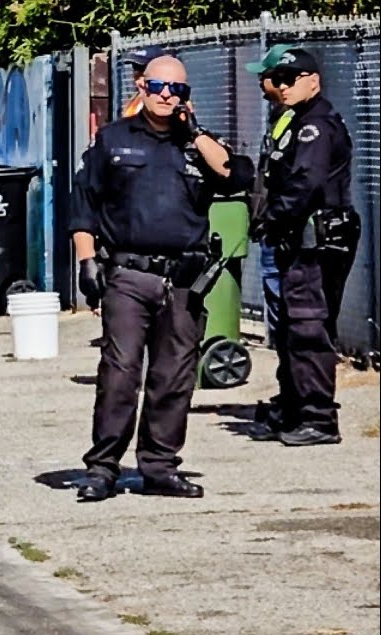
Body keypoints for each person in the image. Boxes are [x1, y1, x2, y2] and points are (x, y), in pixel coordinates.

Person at [70, 55, 253, 502]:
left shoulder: (198, 146)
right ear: (142, 88)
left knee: (173, 376)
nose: (167, 95)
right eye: (158, 87)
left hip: (184, 280)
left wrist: (196, 133)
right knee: (121, 371)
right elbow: (84, 203)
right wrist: (87, 260)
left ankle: (159, 467)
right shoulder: (113, 140)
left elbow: (237, 175)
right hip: (129, 275)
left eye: (177, 90)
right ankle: (103, 467)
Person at [250, 48, 359, 447]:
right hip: (298, 238)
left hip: (317, 240)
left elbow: (306, 183)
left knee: (309, 325)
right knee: (293, 325)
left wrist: (272, 215)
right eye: (277, 78)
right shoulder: (293, 119)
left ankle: (318, 417)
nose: (281, 86)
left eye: (289, 78)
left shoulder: (316, 125)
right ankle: (294, 407)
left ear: (313, 80)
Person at [246, 44, 297, 350]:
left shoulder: (296, 120)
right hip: (270, 226)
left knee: (284, 300)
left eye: (264, 77)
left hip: (282, 230)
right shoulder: (278, 118)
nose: (261, 85)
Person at [120, 46, 169, 118]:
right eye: (135, 67)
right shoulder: (137, 98)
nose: (137, 73)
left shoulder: (165, 101)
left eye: (143, 69)